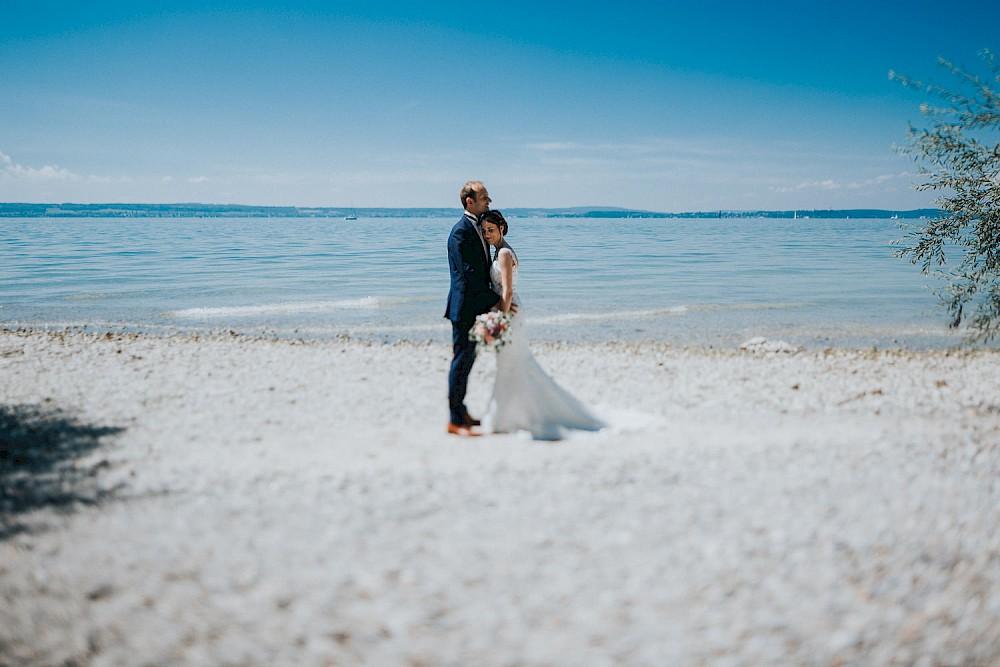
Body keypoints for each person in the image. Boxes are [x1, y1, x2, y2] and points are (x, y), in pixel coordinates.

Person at [479, 210, 606, 440]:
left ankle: (517, 416)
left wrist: (501, 319)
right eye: (485, 231)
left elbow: (507, 291)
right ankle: (511, 416)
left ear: (501, 228)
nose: (488, 235)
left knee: (513, 362)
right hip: (504, 310)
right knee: (508, 364)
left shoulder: (505, 253)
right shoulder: (497, 252)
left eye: (491, 230)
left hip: (510, 313)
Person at [444, 181, 513, 436]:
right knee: (461, 362)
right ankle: (455, 419)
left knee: (468, 362)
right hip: (464, 309)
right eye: (484, 197)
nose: (489, 201)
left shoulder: (479, 229)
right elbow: (469, 277)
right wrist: (495, 303)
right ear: (469, 201)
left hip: (476, 307)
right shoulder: (460, 233)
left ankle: (461, 412)